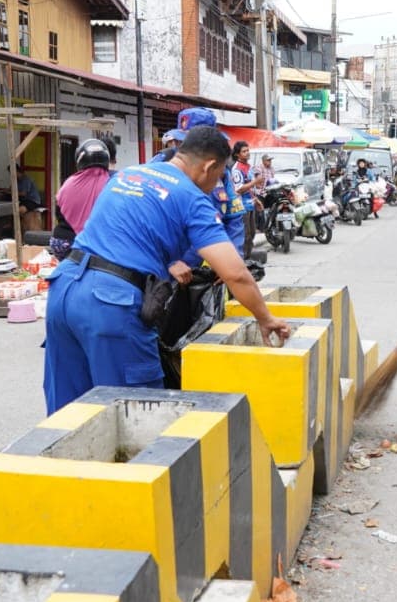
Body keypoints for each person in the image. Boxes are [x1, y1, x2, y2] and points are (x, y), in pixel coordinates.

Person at [43, 126, 291, 413]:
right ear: (210, 166)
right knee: (138, 413)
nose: (216, 185)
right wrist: (265, 317)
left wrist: (168, 260)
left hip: (64, 289)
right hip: (110, 302)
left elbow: (122, 231)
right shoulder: (191, 197)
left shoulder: (127, 175)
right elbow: (234, 272)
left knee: (69, 411)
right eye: (219, 175)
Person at [51, 138, 115, 258]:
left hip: (62, 244)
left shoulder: (68, 183)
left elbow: (58, 213)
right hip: (94, 245)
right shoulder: (113, 181)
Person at [231, 141, 263, 258]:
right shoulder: (236, 169)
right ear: (237, 155)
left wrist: (256, 199)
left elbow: (250, 188)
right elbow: (239, 189)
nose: (247, 153)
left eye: (248, 150)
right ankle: (243, 260)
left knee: (252, 233)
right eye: (244, 151)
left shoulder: (249, 167)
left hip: (250, 204)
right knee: (246, 235)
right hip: (241, 206)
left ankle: (248, 258)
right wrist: (255, 181)